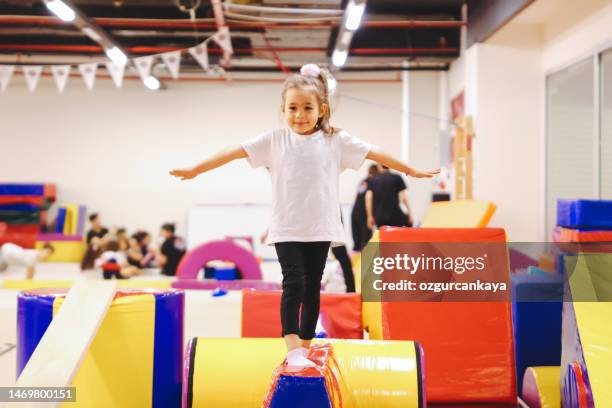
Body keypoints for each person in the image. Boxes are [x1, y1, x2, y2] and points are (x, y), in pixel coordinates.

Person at [170, 63, 438, 368]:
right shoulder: (274, 140)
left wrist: (410, 170)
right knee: (293, 283)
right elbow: (233, 151)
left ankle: (307, 347)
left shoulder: (336, 140)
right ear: (282, 109)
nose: (299, 115)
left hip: (321, 226)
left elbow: (374, 151)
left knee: (313, 286)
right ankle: (293, 348)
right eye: (292, 108)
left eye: (307, 108)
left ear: (321, 109)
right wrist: (196, 169)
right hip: (287, 226)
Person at [351, 164, 379, 251]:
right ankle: (365, 264)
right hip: (364, 213)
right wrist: (371, 216)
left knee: (357, 242)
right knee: (366, 243)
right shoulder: (374, 182)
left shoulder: (363, 182)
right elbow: (369, 199)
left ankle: (357, 263)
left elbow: (356, 197)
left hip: (355, 212)